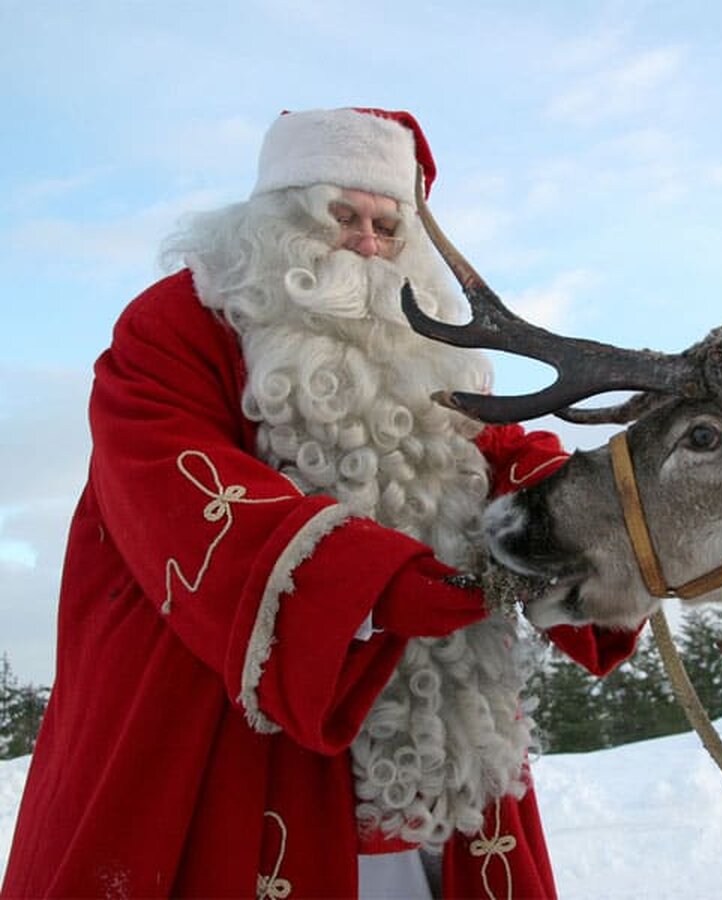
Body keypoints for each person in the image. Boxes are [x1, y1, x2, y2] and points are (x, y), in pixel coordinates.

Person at [1, 107, 638, 899]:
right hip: (236, 736)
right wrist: (372, 584)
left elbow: (496, 455)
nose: (368, 245)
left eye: (387, 225)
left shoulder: (432, 348)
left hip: (439, 759)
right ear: (278, 218)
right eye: (344, 217)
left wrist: (599, 512)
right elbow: (168, 479)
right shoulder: (177, 326)